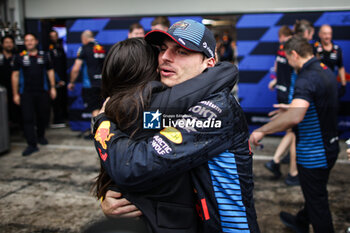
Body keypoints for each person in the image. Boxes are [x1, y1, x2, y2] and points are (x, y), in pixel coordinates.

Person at [94, 19, 260, 233]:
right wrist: (110, 199)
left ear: (208, 62)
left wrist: (102, 122)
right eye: (163, 49)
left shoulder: (217, 108)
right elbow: (137, 146)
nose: (165, 57)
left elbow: (136, 164)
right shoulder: (172, 100)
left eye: (181, 52)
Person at [250, 36, 339, 233]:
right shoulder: (324, 71)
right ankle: (300, 221)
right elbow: (315, 103)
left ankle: (309, 223)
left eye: (288, 59)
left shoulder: (305, 78)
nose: (288, 64)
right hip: (331, 147)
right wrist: (290, 107)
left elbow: (296, 116)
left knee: (318, 205)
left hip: (314, 154)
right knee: (316, 194)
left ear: (294, 54)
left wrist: (261, 130)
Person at [11, 33, 57, 156]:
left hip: (42, 92)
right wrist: (15, 94)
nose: (29, 42)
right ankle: (32, 145)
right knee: (28, 119)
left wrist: (52, 87)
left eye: (31, 40)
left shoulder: (44, 55)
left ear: (36, 41)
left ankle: (41, 136)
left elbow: (50, 71)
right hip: (26, 94)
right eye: (27, 40)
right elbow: (15, 76)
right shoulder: (19, 57)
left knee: (43, 117)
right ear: (25, 43)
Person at [265, 25, 299, 186]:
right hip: (290, 94)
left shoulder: (281, 48)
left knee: (290, 130)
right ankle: (278, 161)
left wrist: (275, 81)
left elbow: (278, 69)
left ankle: (281, 160)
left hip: (282, 91)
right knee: (293, 131)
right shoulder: (293, 49)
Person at [68, 30, 105, 136]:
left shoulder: (84, 49)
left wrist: (71, 82)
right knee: (101, 108)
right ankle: (101, 131)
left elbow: (76, 68)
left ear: (84, 39)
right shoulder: (101, 48)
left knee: (94, 109)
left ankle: (97, 133)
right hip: (103, 83)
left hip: (90, 84)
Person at [314, 24, 347, 97]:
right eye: (325, 34)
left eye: (329, 34)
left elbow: (340, 67)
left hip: (332, 85)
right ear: (319, 34)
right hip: (317, 86)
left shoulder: (337, 49)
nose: (327, 36)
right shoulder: (314, 48)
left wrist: (343, 85)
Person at [48, 30, 68, 128]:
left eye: (55, 35)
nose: (53, 38)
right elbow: (51, 67)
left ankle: (63, 118)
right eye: (51, 36)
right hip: (55, 79)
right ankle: (56, 120)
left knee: (62, 98)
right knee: (56, 100)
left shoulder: (60, 46)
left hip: (63, 77)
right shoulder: (49, 49)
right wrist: (57, 79)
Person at [0, 35, 20, 127]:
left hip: (15, 87)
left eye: (11, 43)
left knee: (17, 110)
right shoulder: (0, 57)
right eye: (6, 43)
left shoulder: (17, 57)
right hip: (2, 89)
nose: (9, 45)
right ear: (2, 44)